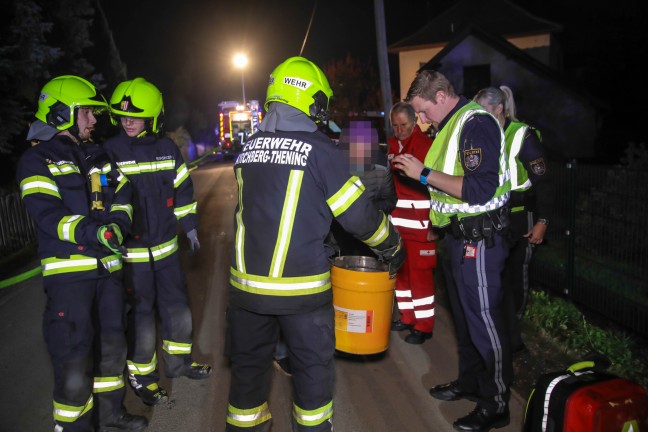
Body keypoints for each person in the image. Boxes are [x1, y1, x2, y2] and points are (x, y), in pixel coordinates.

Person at [225, 56, 405, 432]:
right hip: (301, 294)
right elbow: (358, 218)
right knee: (311, 386)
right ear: (313, 102)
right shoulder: (322, 151)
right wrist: (392, 245)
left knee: (246, 388)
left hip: (246, 294)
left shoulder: (248, 150)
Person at [16, 75, 147, 432]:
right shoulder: (36, 162)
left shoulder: (97, 156)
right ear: (61, 113)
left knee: (111, 350)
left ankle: (111, 416)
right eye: (86, 113)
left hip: (106, 274)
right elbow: (48, 216)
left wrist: (117, 223)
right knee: (74, 361)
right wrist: (96, 231)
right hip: (69, 279)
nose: (93, 121)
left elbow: (121, 192)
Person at [392, 70, 512, 432]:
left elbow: (479, 189)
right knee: (466, 323)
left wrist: (423, 174)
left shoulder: (476, 124)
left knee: (484, 324)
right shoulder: (449, 126)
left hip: (480, 241)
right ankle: (471, 383)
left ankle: (496, 403)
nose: (422, 120)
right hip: (458, 239)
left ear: (441, 96)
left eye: (424, 111)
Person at [104, 77, 211, 407]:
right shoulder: (109, 152)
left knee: (177, 309)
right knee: (141, 317)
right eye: (123, 117)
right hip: (132, 254)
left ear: (152, 118)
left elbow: (183, 191)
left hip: (165, 251)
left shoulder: (166, 149)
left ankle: (178, 363)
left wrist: (190, 226)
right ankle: (143, 377)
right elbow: (104, 199)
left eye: (135, 117)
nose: (128, 122)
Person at [473, 85, 554, 353]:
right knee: (494, 278)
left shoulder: (522, 135)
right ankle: (500, 332)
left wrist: (543, 220)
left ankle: (514, 335)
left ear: (499, 109)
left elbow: (544, 181)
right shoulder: (483, 134)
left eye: (485, 112)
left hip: (520, 219)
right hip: (492, 217)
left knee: (516, 278)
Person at [387, 101, 438, 345]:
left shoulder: (426, 147)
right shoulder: (391, 145)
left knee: (421, 280)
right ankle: (407, 317)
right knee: (402, 276)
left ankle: (424, 325)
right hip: (398, 226)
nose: (399, 130)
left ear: (414, 121)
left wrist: (436, 226)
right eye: (395, 126)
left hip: (421, 229)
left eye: (404, 125)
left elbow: (439, 189)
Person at [327, 119, 397, 258]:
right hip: (339, 234)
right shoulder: (333, 165)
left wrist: (368, 209)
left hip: (371, 232)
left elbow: (389, 200)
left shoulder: (382, 168)